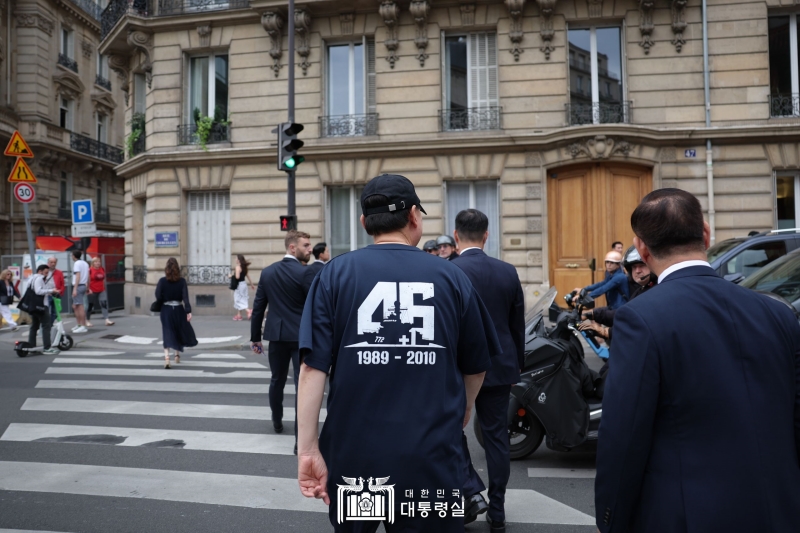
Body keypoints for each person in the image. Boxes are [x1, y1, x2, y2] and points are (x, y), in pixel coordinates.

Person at [296, 174, 500, 533]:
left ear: (364, 223)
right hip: (431, 459)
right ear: (414, 216)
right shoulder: (451, 277)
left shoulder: (334, 275)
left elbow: (312, 369)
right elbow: (476, 366)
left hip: (357, 458)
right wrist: (464, 408)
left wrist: (308, 449)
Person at [595, 188, 800, 533]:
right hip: (780, 508)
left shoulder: (639, 318)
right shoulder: (777, 312)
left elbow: (624, 434)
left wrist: (610, 517)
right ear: (705, 233)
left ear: (642, 249)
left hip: (688, 515)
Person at [451, 209, 524, 533]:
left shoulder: (448, 271)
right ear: (487, 235)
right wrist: (515, 364)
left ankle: (467, 494)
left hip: (458, 367)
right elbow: (516, 327)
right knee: (497, 439)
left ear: (456, 236)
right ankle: (497, 510)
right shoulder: (507, 272)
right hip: (498, 365)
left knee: (453, 433)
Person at [250, 230, 315, 446]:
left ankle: (277, 420)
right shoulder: (305, 273)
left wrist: (255, 338)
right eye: (306, 245)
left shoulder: (268, 272)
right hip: (301, 337)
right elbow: (314, 307)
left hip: (276, 335)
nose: (310, 249)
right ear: (292, 247)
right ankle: (300, 441)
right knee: (301, 387)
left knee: (276, 380)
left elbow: (259, 307)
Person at [579, 246, 657, 340]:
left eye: (642, 266)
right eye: (634, 267)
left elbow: (604, 288)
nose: (637, 271)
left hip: (619, 307)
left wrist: (607, 332)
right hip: (616, 309)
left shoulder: (652, 292)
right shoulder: (641, 289)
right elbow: (602, 284)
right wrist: (584, 290)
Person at [155, 258, 196, 369]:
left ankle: (167, 358)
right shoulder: (182, 281)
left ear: (166, 268)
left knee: (167, 331)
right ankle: (177, 355)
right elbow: (185, 298)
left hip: (166, 309)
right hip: (178, 309)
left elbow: (158, 296)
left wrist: (163, 300)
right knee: (177, 330)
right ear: (177, 268)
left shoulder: (162, 281)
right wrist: (188, 311)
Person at [27, 264, 60, 355]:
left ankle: (32, 347)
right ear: (40, 271)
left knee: (34, 326)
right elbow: (38, 291)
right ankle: (47, 347)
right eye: (45, 272)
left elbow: (33, 290)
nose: (46, 274)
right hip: (41, 306)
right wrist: (51, 291)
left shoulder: (32, 278)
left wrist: (48, 292)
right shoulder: (39, 278)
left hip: (33, 305)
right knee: (46, 326)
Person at [86, 257, 114, 327]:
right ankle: (87, 320)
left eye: (99, 262)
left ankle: (107, 319)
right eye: (96, 262)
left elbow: (103, 279)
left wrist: (104, 287)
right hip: (92, 290)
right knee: (90, 305)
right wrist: (88, 289)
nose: (98, 263)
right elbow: (87, 280)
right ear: (93, 263)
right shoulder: (90, 270)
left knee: (104, 304)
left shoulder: (102, 269)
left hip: (101, 289)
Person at [230, 254, 255, 321]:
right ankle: (239, 315)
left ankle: (248, 310)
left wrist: (231, 276)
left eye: (236, 258)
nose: (235, 259)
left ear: (238, 260)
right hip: (244, 284)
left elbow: (237, 277)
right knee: (242, 298)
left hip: (239, 285)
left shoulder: (237, 267)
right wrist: (252, 284)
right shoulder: (244, 267)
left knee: (237, 299)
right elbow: (248, 276)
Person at [71, 250, 89, 333]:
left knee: (80, 307)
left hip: (78, 285)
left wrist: (75, 288)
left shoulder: (76, 264)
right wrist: (87, 286)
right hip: (83, 285)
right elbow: (88, 275)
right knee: (76, 306)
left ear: (74, 256)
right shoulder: (85, 263)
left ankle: (83, 325)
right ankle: (79, 325)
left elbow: (78, 275)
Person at [47, 256, 65, 325]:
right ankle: (48, 325)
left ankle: (50, 324)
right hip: (48, 294)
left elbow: (62, 283)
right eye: (51, 262)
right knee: (48, 311)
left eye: (54, 262)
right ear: (48, 263)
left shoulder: (59, 272)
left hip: (56, 294)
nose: (53, 264)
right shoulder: (46, 271)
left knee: (55, 312)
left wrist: (60, 291)